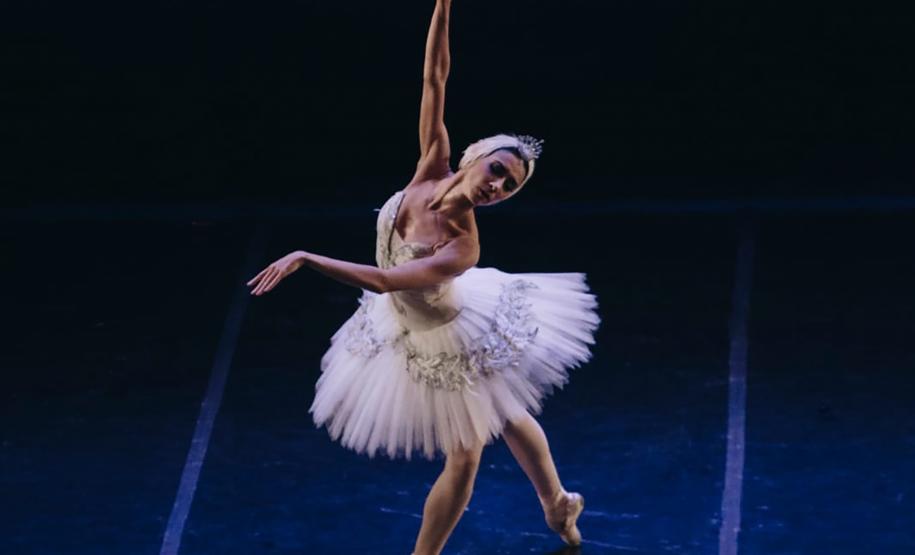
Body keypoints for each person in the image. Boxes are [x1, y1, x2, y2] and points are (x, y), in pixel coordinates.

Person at [246, 1, 599, 552]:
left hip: (453, 333)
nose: (498, 186)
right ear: (475, 157)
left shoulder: (462, 245)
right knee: (504, 410)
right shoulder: (431, 160)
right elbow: (435, 73)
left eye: (509, 189)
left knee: (466, 452)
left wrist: (308, 258)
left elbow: (387, 280)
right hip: (406, 328)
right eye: (497, 171)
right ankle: (557, 503)